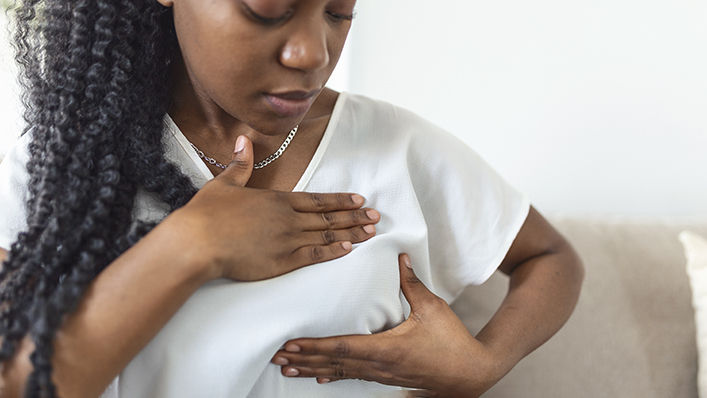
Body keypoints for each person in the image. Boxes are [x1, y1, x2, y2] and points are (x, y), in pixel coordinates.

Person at [0, 0, 584, 397]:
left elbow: (551, 257)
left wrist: (484, 365)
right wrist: (192, 245)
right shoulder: (57, 166)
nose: (313, 52)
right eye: (269, 9)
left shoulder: (397, 147)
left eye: (338, 12)